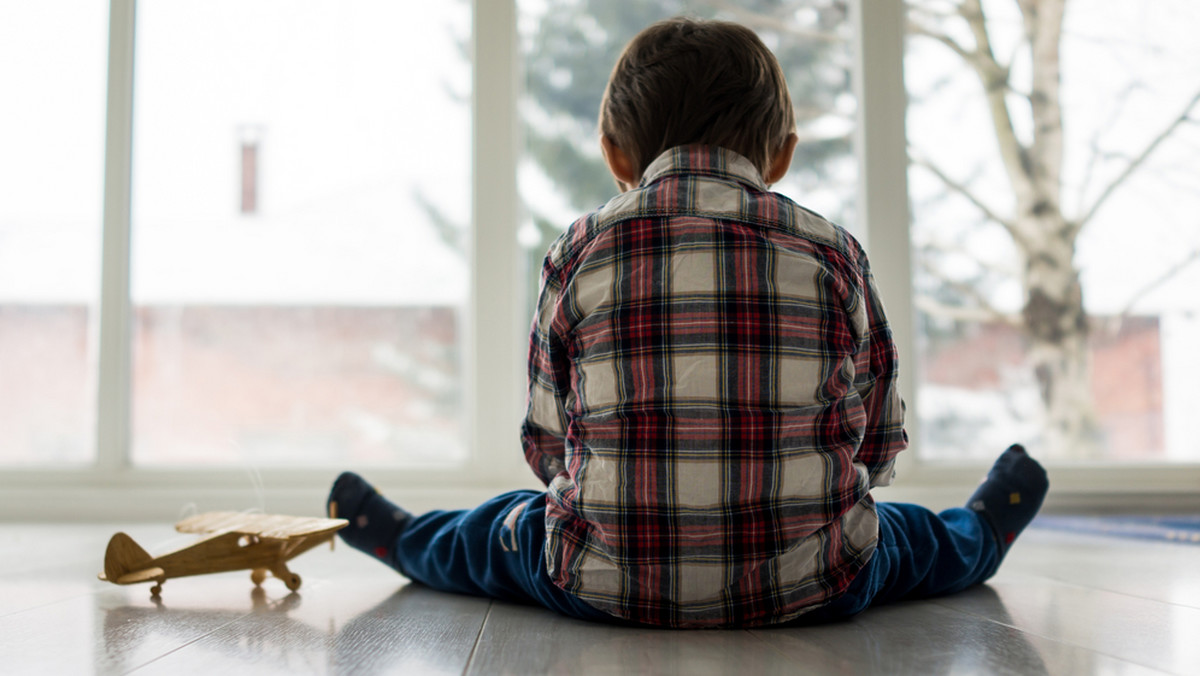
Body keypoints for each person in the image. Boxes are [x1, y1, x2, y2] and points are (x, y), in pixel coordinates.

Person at [328, 16, 1049, 629]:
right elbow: (881, 442)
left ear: (613, 154)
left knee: (493, 531)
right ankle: (984, 530)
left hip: (603, 587)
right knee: (915, 539)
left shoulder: (577, 251)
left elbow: (548, 445)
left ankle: (402, 539)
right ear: (783, 154)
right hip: (812, 588)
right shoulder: (834, 251)